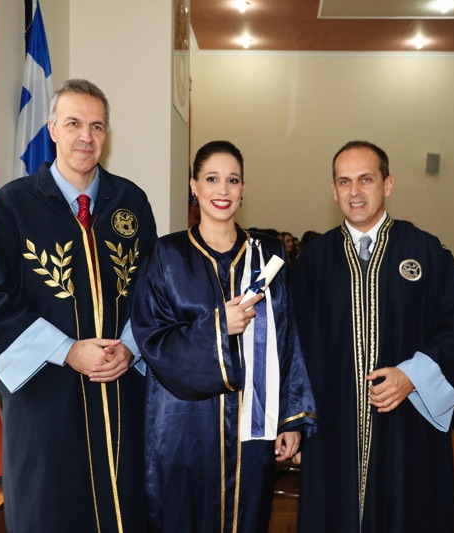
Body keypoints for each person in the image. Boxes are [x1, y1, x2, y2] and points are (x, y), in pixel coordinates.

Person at [0, 79, 157, 533]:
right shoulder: (13, 205)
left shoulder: (131, 202)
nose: (85, 136)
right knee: (52, 512)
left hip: (120, 396)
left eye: (97, 126)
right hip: (47, 402)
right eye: (73, 124)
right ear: (52, 129)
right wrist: (68, 350)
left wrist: (131, 347)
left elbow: (154, 290)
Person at [130, 140, 318, 533]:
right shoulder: (166, 256)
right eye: (212, 179)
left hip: (252, 427)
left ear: (243, 188)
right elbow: (153, 340)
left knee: (246, 518)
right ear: (194, 186)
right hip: (183, 425)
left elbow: (288, 338)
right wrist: (218, 327)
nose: (223, 190)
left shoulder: (266, 257)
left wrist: (291, 418)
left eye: (232, 180)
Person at [291, 140, 454, 532]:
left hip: (406, 427)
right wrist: (294, 422)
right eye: (344, 182)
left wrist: (412, 375)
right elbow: (293, 346)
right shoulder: (313, 262)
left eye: (365, 179)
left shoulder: (426, 252)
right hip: (333, 429)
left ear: (387, 184)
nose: (354, 192)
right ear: (333, 190)